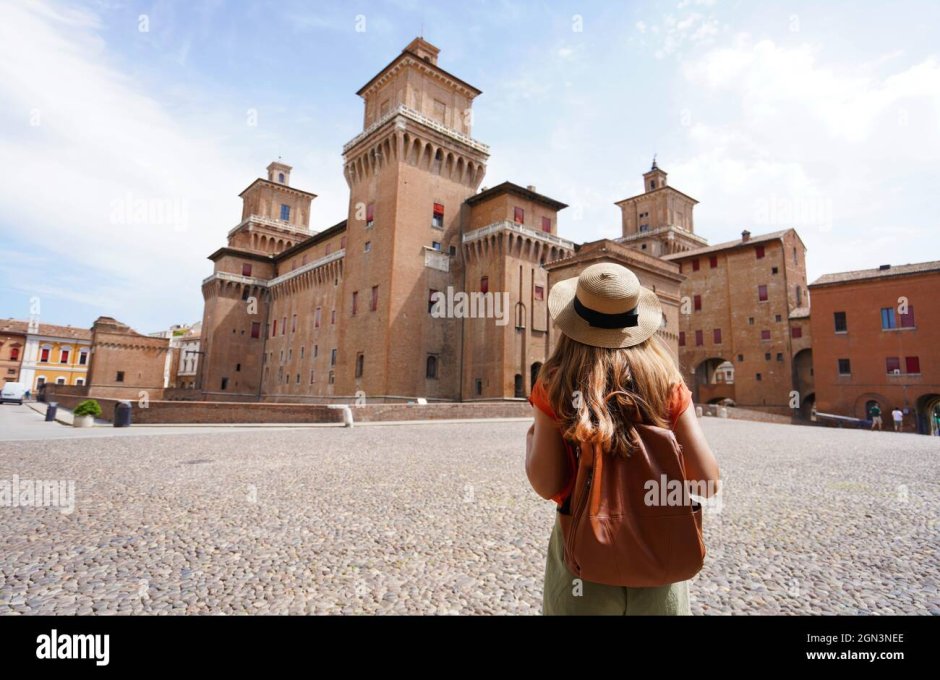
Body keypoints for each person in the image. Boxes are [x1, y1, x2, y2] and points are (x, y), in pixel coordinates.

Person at [525, 263, 720, 615]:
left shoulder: (554, 384)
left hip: (583, 569)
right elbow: (706, 483)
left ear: (572, 322)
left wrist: (532, 444)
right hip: (660, 564)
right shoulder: (667, 384)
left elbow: (546, 482)